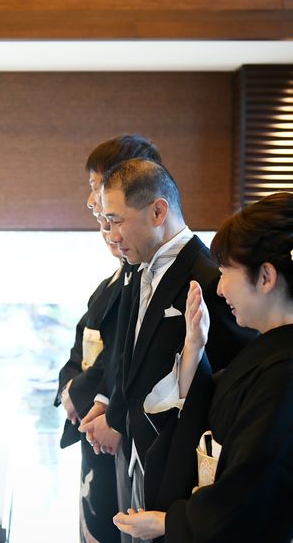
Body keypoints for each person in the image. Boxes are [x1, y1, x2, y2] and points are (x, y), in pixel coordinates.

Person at [79, 159, 256, 540]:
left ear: (158, 212)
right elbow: (127, 356)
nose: (111, 234)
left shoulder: (209, 278)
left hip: (178, 475)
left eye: (116, 220)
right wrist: (113, 408)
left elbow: (232, 385)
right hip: (134, 458)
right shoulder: (138, 267)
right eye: (105, 221)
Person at [113, 191, 293, 542]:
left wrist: (172, 523)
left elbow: (253, 486)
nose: (220, 289)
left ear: (265, 277)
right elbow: (213, 400)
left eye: (225, 272)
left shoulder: (284, 372)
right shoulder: (269, 352)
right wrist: (194, 348)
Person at [55, 135, 161, 542]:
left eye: (97, 186)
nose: (92, 201)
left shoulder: (145, 275)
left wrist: (89, 396)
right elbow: (86, 341)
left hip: (114, 423)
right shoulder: (117, 277)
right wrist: (69, 386)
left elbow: (123, 353)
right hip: (94, 421)